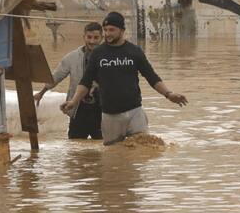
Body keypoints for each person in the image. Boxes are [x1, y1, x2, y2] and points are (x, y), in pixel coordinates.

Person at [61, 11, 187, 145]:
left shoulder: (134, 51)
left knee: (143, 149)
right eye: (105, 30)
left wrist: (168, 94)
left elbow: (152, 77)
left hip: (134, 112)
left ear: (122, 30)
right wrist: (73, 102)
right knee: (113, 153)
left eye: (111, 30)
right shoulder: (98, 54)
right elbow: (85, 82)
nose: (107, 34)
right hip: (110, 116)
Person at [34, 22, 103, 139]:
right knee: (75, 144)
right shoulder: (72, 57)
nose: (92, 41)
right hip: (78, 108)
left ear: (102, 38)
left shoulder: (108, 57)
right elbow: (56, 77)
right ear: (84, 37)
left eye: (96, 38)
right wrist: (41, 93)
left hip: (101, 109)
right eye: (89, 37)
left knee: (104, 144)